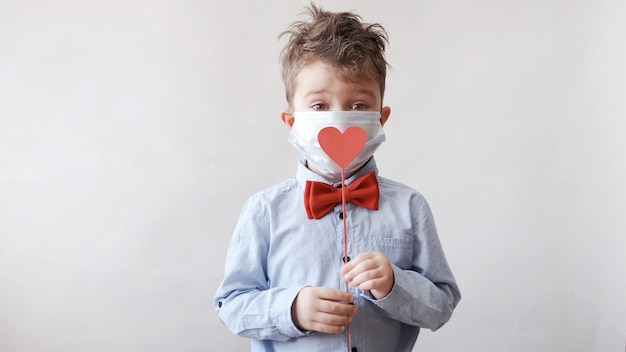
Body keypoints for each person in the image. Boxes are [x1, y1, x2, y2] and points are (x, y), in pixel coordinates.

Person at [214, 4, 461, 352]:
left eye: (359, 106)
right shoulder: (263, 211)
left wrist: (395, 284)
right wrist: (291, 309)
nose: (340, 119)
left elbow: (442, 305)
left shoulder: (410, 208)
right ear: (292, 120)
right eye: (319, 106)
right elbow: (231, 305)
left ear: (381, 117)